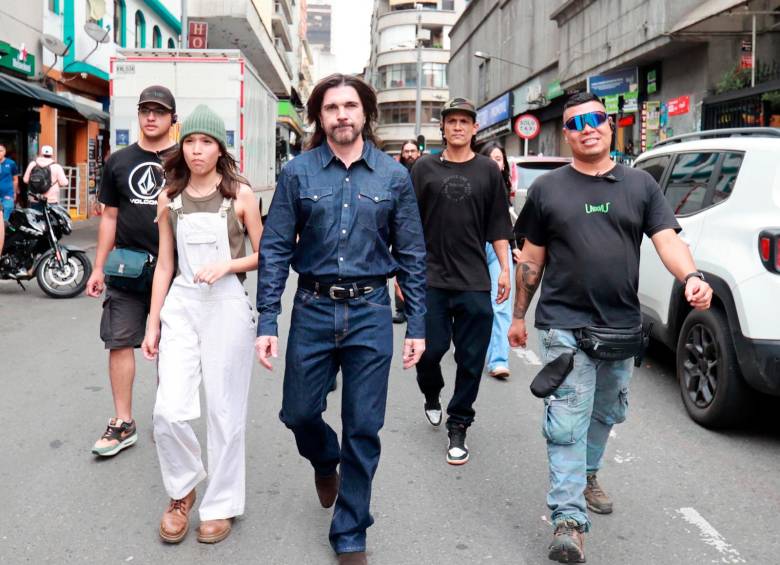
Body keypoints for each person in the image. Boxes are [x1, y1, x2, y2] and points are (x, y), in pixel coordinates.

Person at [508, 92, 712, 564]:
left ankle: (588, 473)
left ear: (610, 124)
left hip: (620, 327)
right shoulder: (547, 191)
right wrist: (519, 316)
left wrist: (693, 277)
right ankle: (568, 521)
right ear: (568, 132)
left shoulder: (640, 185)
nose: (588, 127)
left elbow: (668, 240)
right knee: (566, 424)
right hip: (564, 326)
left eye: (596, 118)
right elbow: (532, 261)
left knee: (606, 414)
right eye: (576, 122)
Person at [255, 73, 427, 565]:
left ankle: (351, 531)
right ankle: (323, 458)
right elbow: (274, 250)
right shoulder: (298, 174)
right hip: (311, 308)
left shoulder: (394, 176)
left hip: (371, 312)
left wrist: (417, 325)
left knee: (364, 426)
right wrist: (268, 320)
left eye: (350, 106)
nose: (342, 115)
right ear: (319, 117)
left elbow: (413, 254)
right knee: (299, 413)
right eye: (332, 108)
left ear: (365, 113)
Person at [141, 105, 263, 545]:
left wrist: (228, 265)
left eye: (206, 142)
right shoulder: (168, 197)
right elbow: (164, 266)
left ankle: (221, 505)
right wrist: (152, 323)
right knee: (166, 410)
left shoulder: (240, 196)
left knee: (225, 412)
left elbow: (267, 254)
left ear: (219, 148)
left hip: (227, 305)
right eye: (190, 141)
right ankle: (183, 489)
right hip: (182, 305)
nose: (196, 150)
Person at [411, 98, 513, 465]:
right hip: (431, 280)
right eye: (451, 121)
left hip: (474, 282)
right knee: (430, 352)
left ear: (474, 129)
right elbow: (408, 224)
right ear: (443, 127)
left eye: (464, 122)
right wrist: (401, 272)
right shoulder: (423, 168)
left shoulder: (487, 171)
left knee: (471, 360)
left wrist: (503, 269)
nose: (457, 127)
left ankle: (459, 424)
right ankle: (432, 393)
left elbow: (499, 225)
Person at [85, 85, 178, 457]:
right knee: (119, 340)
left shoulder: (185, 158)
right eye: (145, 110)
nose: (151, 117)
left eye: (159, 111)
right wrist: (97, 267)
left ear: (173, 118)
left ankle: (167, 417)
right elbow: (109, 216)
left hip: (174, 273)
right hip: (128, 267)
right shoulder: (119, 161)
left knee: (171, 346)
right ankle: (123, 422)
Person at [480, 141, 514, 379]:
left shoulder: (505, 188)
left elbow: (505, 223)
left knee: (500, 304)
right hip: (472, 248)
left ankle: (498, 360)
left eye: (499, 158)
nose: (495, 162)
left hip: (498, 251)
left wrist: (513, 247)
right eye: (490, 158)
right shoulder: (472, 181)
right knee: (472, 306)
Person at [392, 139, 422, 324]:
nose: (410, 154)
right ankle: (401, 309)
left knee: (416, 270)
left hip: (421, 228)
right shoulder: (398, 174)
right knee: (399, 272)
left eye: (413, 151)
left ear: (418, 153)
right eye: (406, 151)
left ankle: (416, 309)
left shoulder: (425, 171)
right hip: (400, 227)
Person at [22, 145, 68, 209]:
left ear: (41, 153)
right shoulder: (56, 166)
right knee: (50, 218)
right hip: (51, 200)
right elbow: (64, 183)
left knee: (36, 218)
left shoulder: (33, 164)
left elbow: (25, 180)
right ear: (52, 154)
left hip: (35, 199)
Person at [0, 143, 19, 222]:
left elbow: (15, 179)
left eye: (1, 151)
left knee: (5, 218)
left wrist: (14, 193)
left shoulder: (11, 163)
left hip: (7, 195)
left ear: (5, 152)